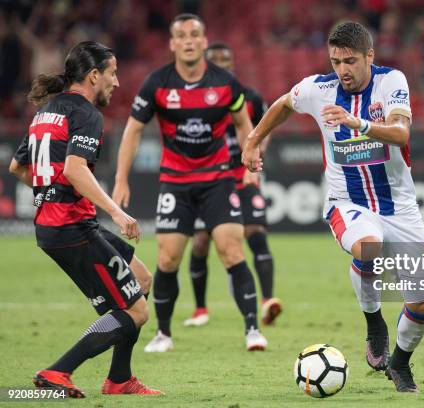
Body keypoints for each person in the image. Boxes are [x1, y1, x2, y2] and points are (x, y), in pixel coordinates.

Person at [242, 22, 424, 393]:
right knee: (367, 246)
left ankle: (400, 363)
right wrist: (253, 140)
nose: (342, 70)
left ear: (369, 57)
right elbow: (283, 104)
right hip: (347, 202)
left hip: (399, 206)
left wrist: (358, 122)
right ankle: (374, 322)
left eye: (350, 61)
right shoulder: (319, 88)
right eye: (336, 61)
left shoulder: (391, 82)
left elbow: (401, 133)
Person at [8, 41, 161, 397]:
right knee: (137, 312)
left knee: (142, 278)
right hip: (70, 228)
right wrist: (117, 211)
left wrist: (49, 191)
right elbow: (76, 170)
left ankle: (119, 379)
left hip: (61, 223)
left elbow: (18, 167)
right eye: (112, 74)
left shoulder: (46, 112)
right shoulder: (86, 114)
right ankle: (57, 372)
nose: (117, 83)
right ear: (94, 75)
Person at [111, 14, 267, 352]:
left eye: (195, 34)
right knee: (167, 259)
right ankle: (163, 334)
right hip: (176, 183)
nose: (188, 40)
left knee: (231, 250)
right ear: (172, 44)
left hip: (219, 180)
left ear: (204, 41)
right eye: (181, 35)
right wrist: (121, 178)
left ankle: (253, 330)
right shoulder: (157, 83)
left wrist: (250, 159)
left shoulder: (225, 82)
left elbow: (244, 124)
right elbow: (133, 130)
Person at [184, 42, 282, 328]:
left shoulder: (248, 97)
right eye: (215, 59)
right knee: (201, 242)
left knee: (256, 232)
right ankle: (200, 308)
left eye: (226, 58)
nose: (221, 63)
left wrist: (255, 156)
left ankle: (268, 301)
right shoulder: (195, 97)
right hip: (209, 179)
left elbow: (265, 130)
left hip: (242, 175)